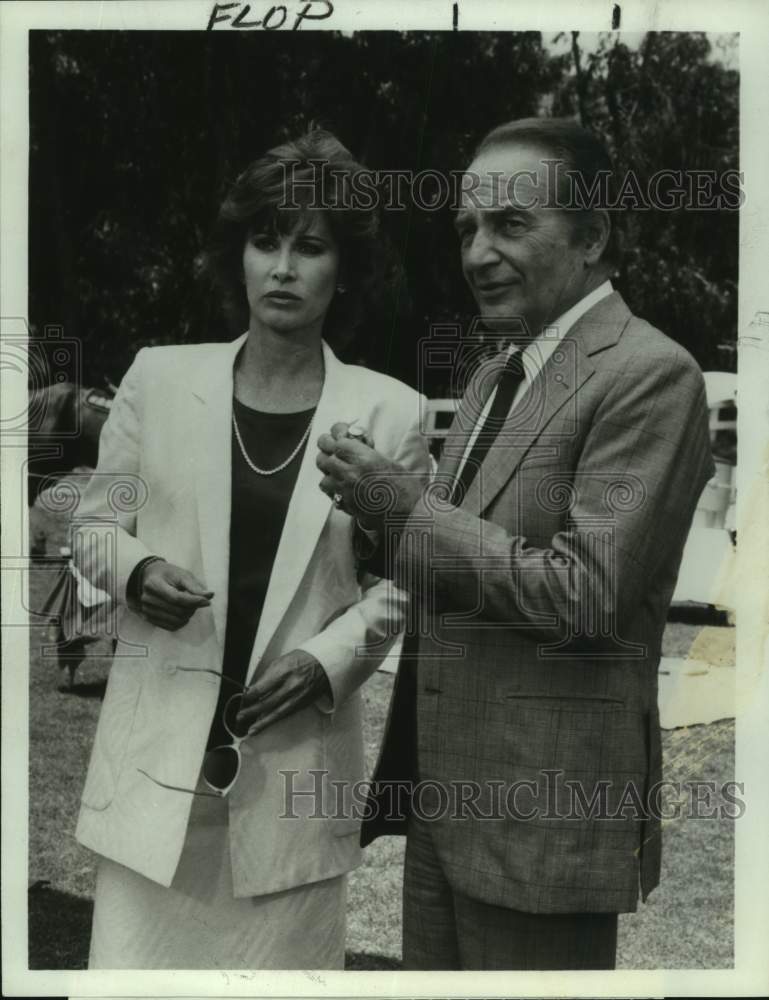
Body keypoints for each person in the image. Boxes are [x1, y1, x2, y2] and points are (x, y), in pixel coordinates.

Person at [317, 117, 715, 970]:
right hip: (441, 808)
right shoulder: (498, 370)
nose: (476, 252)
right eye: (466, 227)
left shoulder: (651, 373)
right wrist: (372, 519)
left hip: (542, 824)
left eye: (508, 223)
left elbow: (583, 594)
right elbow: (454, 560)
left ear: (592, 236)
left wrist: (399, 508)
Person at [72, 128, 430, 970]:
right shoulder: (158, 379)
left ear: (344, 271)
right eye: (264, 241)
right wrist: (135, 570)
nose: (281, 267)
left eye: (309, 247)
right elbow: (93, 527)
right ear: (235, 255)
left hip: (293, 789)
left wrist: (326, 659)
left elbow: (404, 580)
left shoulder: (391, 412)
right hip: (153, 783)